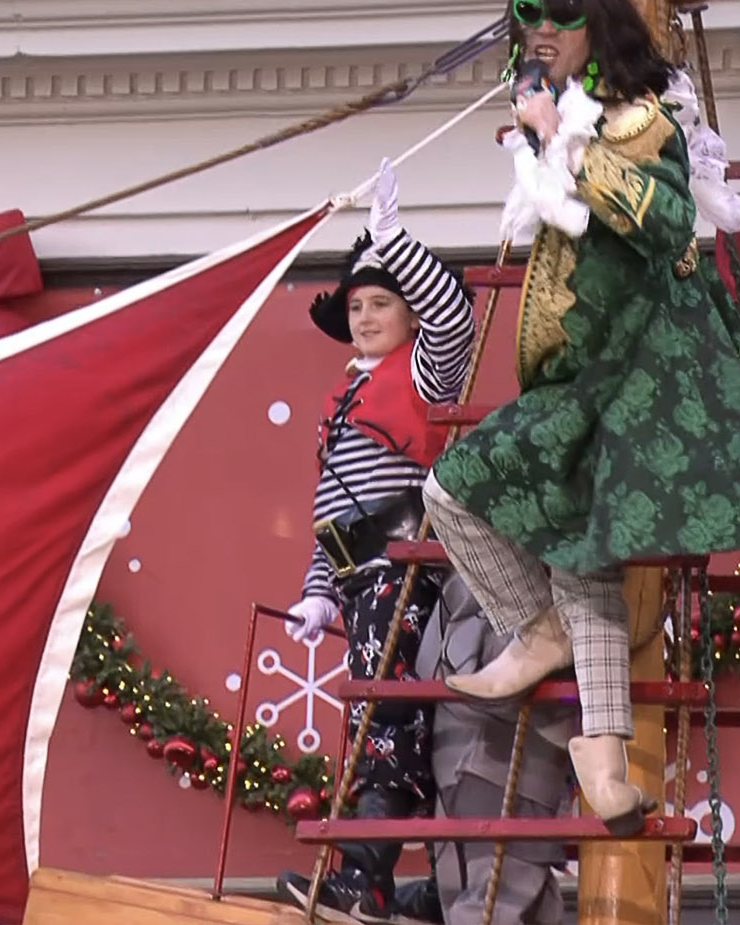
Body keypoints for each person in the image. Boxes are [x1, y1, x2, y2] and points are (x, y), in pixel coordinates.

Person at [419, 0, 740, 830]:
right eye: (525, 14)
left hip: (630, 379)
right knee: (579, 558)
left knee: (453, 488)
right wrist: (550, 139)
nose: (536, 31)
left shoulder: (644, 122)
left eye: (555, 16)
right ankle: (603, 767)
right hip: (581, 378)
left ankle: (539, 638)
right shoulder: (563, 127)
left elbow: (668, 219)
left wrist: (565, 146)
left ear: (595, 26)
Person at [275, 159, 475, 924]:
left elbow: (456, 318)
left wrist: (398, 238)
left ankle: (365, 874)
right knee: (372, 721)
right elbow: (334, 506)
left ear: (409, 311)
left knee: (390, 720)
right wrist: (319, 588)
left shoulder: (425, 371)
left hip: (408, 573)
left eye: (380, 302)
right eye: (356, 304)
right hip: (362, 579)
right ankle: (383, 883)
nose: (363, 317)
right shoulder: (344, 395)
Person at [417, 575, 570, 924]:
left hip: (508, 750)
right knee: (485, 894)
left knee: (497, 895)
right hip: (469, 745)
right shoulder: (472, 573)